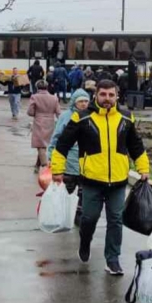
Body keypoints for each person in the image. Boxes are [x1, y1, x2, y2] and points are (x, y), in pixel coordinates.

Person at [51, 80, 150, 275]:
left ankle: (112, 259)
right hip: (91, 181)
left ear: (117, 96)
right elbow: (62, 145)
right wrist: (57, 169)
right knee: (89, 218)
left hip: (118, 181)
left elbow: (136, 145)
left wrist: (143, 168)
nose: (107, 99)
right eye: (103, 94)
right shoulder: (81, 118)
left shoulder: (126, 118)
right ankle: (85, 241)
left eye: (111, 95)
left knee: (115, 219)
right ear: (96, 95)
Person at [47, 88, 90, 227]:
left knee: (84, 193)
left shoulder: (90, 116)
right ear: (74, 102)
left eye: (86, 101)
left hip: (85, 163)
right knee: (68, 191)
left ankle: (79, 216)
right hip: (69, 162)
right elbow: (56, 137)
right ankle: (65, 216)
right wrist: (51, 156)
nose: (84, 104)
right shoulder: (66, 116)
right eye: (80, 101)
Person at [28, 80, 61, 173]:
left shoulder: (34, 97)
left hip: (39, 121)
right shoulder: (54, 98)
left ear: (37, 87)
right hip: (50, 122)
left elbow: (30, 112)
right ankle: (37, 166)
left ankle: (45, 166)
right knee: (44, 145)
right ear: (47, 87)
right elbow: (58, 112)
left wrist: (36, 113)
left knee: (40, 146)